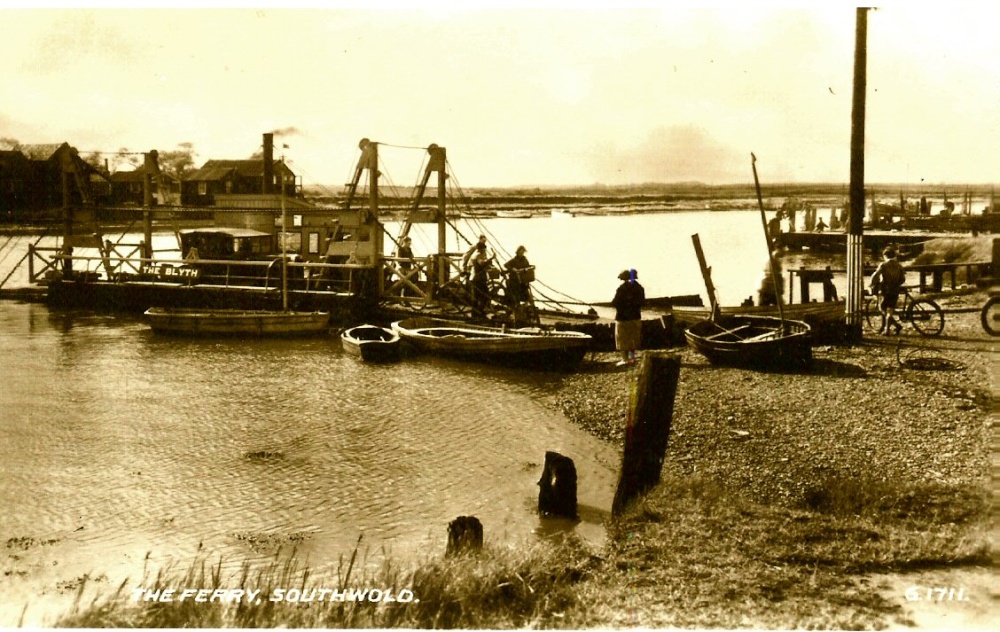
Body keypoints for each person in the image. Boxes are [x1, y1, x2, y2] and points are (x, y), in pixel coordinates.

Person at [611, 268, 645, 366]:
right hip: (635, 317)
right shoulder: (640, 288)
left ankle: (625, 359)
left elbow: (615, 302)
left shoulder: (622, 288)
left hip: (622, 318)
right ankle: (631, 359)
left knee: (622, 340)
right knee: (632, 340)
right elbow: (642, 302)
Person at [870, 247, 906, 335]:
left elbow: (875, 276)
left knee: (882, 308)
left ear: (885, 256)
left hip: (886, 290)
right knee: (890, 309)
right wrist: (897, 284)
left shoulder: (883, 265)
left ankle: (890, 329)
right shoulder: (898, 265)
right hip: (895, 289)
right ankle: (891, 327)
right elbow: (903, 279)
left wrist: (872, 284)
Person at [468, 242, 494, 316]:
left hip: (476, 278)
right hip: (478, 279)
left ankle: (477, 312)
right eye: (484, 249)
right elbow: (482, 263)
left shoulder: (476, 255)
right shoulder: (478, 255)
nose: (485, 250)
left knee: (478, 296)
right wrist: (491, 258)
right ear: (481, 249)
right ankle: (478, 312)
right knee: (484, 295)